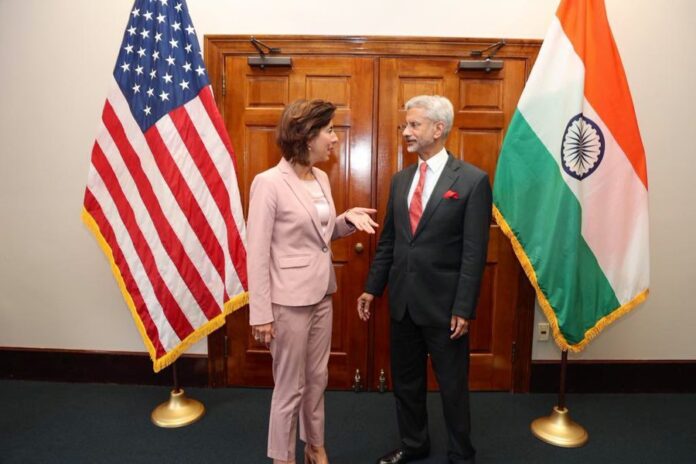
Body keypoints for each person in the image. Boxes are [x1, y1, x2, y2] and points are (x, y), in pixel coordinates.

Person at [357, 95, 491, 464]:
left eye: (414, 125)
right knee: (406, 383)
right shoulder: (401, 181)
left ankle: (461, 454)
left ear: (438, 128)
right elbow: (389, 241)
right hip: (402, 303)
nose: (406, 132)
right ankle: (414, 444)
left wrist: (464, 306)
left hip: (446, 308)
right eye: (405, 125)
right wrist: (372, 288)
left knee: (452, 387)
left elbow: (474, 253)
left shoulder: (472, 181)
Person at [247, 99, 378, 464]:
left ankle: (315, 445)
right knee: (290, 387)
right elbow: (256, 251)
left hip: (322, 292)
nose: (335, 139)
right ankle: (282, 457)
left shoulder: (321, 178)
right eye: (330, 131)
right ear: (307, 137)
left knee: (317, 378)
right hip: (287, 301)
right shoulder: (268, 184)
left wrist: (346, 219)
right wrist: (260, 313)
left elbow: (318, 236)